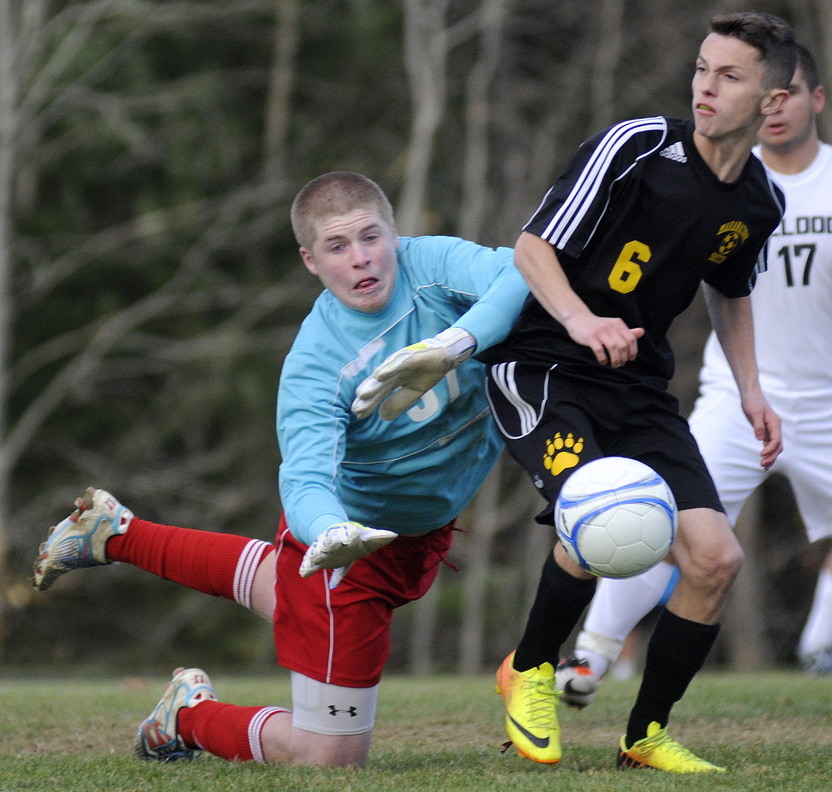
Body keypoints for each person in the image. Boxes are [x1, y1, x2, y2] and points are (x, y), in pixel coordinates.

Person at [360, 10, 795, 773]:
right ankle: (529, 668)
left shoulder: (758, 202)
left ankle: (645, 735)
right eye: (701, 67)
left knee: (716, 558)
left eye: (729, 75)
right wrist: (582, 319)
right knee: (600, 518)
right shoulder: (638, 147)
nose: (705, 86)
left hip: (638, 386)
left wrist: (751, 390)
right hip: (544, 365)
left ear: (771, 98)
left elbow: (729, 293)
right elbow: (532, 247)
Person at [32, 171, 530, 768]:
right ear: (310, 261)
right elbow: (304, 479)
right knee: (328, 755)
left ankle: (118, 534)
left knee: (279, 582)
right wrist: (328, 532)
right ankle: (187, 717)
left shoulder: (434, 264)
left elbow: (525, 270)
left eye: (370, 236)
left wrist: (459, 341)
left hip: (416, 534)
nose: (362, 258)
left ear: (395, 233)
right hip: (348, 552)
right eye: (337, 247)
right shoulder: (316, 362)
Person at [559, 42, 832, 699]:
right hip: (738, 399)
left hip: (828, 401)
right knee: (662, 517)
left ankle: (821, 645)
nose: (775, 106)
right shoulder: (733, 184)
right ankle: (593, 654)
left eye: (789, 92)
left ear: (813, 100)